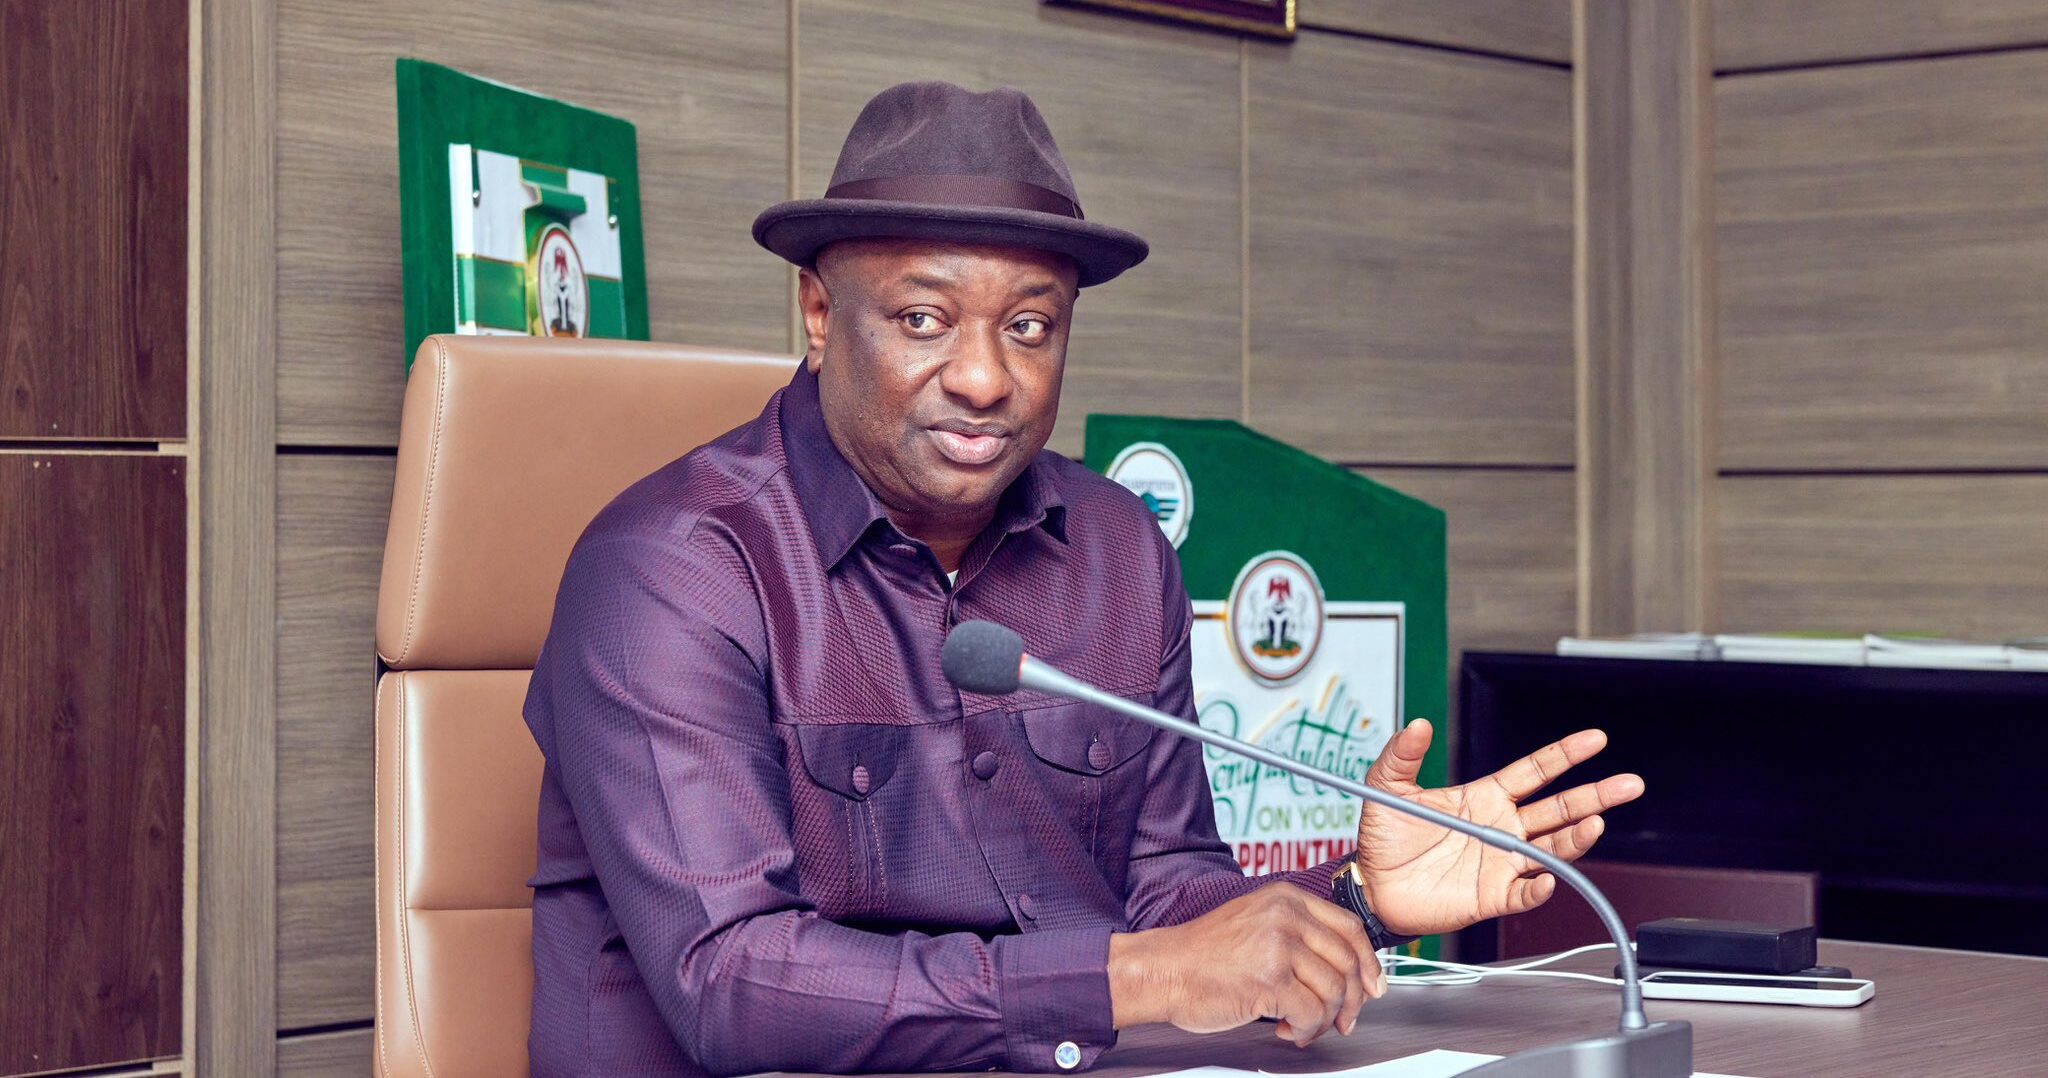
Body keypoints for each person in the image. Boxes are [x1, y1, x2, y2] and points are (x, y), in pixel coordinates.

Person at [522, 81, 1643, 1078]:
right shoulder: (674, 569)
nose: (983, 377)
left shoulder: (1112, 548)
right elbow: (730, 980)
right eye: (922, 319)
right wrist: (1135, 979)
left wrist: (1353, 899)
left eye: (1029, 326)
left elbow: (1165, 892)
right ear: (819, 315)